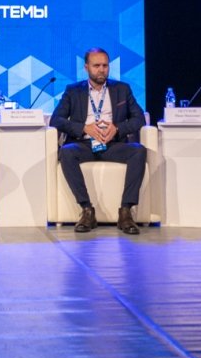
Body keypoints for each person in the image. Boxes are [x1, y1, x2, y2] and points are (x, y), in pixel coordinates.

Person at [49, 47, 148, 234]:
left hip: (113, 144)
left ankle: (126, 212)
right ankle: (87, 210)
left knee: (139, 150)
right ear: (86, 67)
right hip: (84, 144)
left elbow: (139, 119)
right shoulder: (73, 91)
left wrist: (117, 129)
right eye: (96, 66)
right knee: (67, 152)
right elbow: (56, 120)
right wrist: (83, 128)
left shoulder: (122, 89)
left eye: (105, 65)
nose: (101, 70)